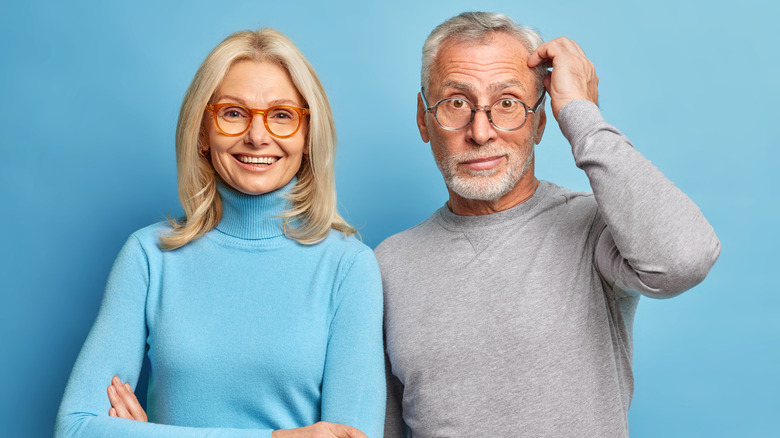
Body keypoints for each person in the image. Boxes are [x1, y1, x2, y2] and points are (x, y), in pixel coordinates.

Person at [377, 12, 720, 437]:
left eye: (508, 103)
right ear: (423, 117)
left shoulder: (595, 229)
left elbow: (684, 258)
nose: (481, 132)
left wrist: (581, 112)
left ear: (540, 121)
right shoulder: (387, 265)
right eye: (457, 103)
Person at [55, 28, 384, 438]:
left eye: (282, 115)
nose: (258, 136)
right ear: (201, 133)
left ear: (307, 135)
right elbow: (75, 428)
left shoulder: (349, 268)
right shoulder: (148, 256)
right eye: (233, 113)